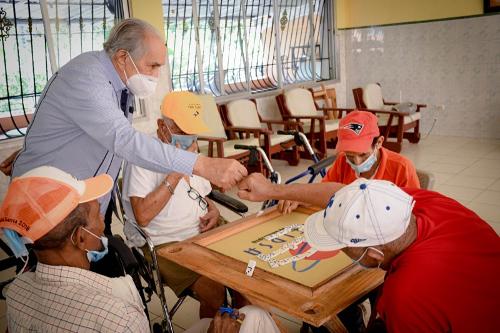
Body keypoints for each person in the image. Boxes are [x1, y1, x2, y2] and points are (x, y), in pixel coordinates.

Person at [11, 18, 247, 221]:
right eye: (152, 66)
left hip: (87, 201)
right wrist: (202, 164)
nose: (155, 76)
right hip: (51, 206)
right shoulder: (87, 78)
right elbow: (123, 139)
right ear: (123, 57)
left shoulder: (121, 85)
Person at [237, 174, 500, 333]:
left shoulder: (406, 297)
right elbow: (346, 195)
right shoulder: (425, 204)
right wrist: (274, 190)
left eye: (342, 244)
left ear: (373, 254)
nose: (339, 250)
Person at [2, 166, 151, 332]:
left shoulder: (16, 291)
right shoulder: (121, 318)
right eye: (97, 214)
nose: (102, 221)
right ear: (80, 237)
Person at [122, 115, 226, 318]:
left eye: (192, 131)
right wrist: (178, 170)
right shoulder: (142, 155)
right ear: (162, 126)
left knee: (248, 278)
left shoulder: (192, 149)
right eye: (182, 130)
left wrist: (213, 210)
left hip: (205, 231)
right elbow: (142, 216)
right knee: (215, 293)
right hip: (167, 242)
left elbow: (200, 193)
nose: (189, 138)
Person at [278, 110, 419, 214]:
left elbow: (414, 214)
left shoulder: (402, 168)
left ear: (379, 142)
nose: (357, 163)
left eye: (363, 155)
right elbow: (323, 194)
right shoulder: (342, 162)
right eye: (350, 156)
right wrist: (299, 197)